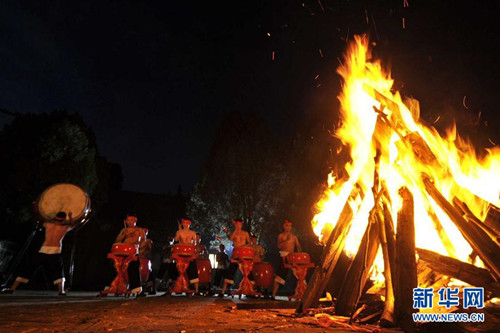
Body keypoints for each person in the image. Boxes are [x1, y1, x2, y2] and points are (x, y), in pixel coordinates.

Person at [2, 212, 74, 295]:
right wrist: (70, 217)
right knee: (58, 270)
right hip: (55, 250)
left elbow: (43, 219)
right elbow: (73, 225)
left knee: (28, 268)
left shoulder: (48, 224)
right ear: (64, 219)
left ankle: (12, 289)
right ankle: (61, 291)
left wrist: (51, 215)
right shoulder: (64, 227)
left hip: (43, 249)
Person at [107, 214, 146, 295]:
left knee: (133, 268)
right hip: (123, 251)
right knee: (116, 267)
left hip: (133, 251)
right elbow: (117, 240)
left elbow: (143, 241)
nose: (130, 222)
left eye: (132, 220)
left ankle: (136, 288)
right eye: (128, 221)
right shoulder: (124, 230)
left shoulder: (139, 230)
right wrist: (123, 234)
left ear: (135, 221)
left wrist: (139, 248)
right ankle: (114, 286)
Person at [219, 219, 251, 297]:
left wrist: (243, 248)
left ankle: (249, 291)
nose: (238, 226)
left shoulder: (245, 233)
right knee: (230, 272)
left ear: (241, 225)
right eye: (237, 225)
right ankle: (223, 291)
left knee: (248, 272)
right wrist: (235, 230)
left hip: (244, 254)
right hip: (236, 254)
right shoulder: (234, 233)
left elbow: (249, 243)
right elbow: (230, 238)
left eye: (239, 225)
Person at [272, 220, 302, 299]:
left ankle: (300, 293)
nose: (288, 227)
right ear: (284, 226)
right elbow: (279, 246)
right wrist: (287, 240)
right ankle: (273, 295)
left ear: (291, 227)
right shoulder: (281, 236)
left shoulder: (294, 237)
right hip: (284, 256)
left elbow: (299, 247)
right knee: (280, 276)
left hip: (292, 257)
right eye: (286, 226)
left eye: (289, 226)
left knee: (299, 274)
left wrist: (299, 256)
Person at [172, 218, 199, 294]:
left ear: (189, 224)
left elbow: (195, 243)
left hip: (190, 252)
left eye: (187, 223)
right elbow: (176, 240)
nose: (186, 225)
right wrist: (178, 232)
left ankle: (196, 290)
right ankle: (180, 287)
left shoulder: (192, 233)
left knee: (193, 271)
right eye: (184, 223)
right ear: (182, 224)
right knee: (180, 270)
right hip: (181, 253)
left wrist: (194, 252)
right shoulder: (179, 232)